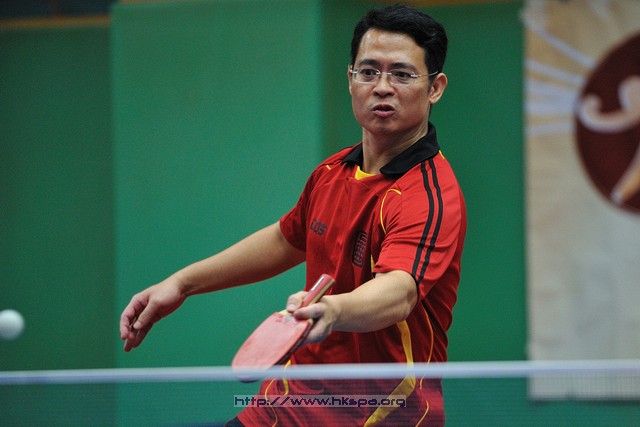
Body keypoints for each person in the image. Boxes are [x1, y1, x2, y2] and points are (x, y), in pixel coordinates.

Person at [120, 4, 466, 426]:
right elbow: (286, 240)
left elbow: (399, 291)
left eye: (402, 74)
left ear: (435, 88)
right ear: (350, 79)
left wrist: (333, 311)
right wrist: (181, 283)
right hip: (287, 403)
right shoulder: (332, 173)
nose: (382, 87)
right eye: (368, 71)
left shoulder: (428, 194)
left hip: (375, 412)